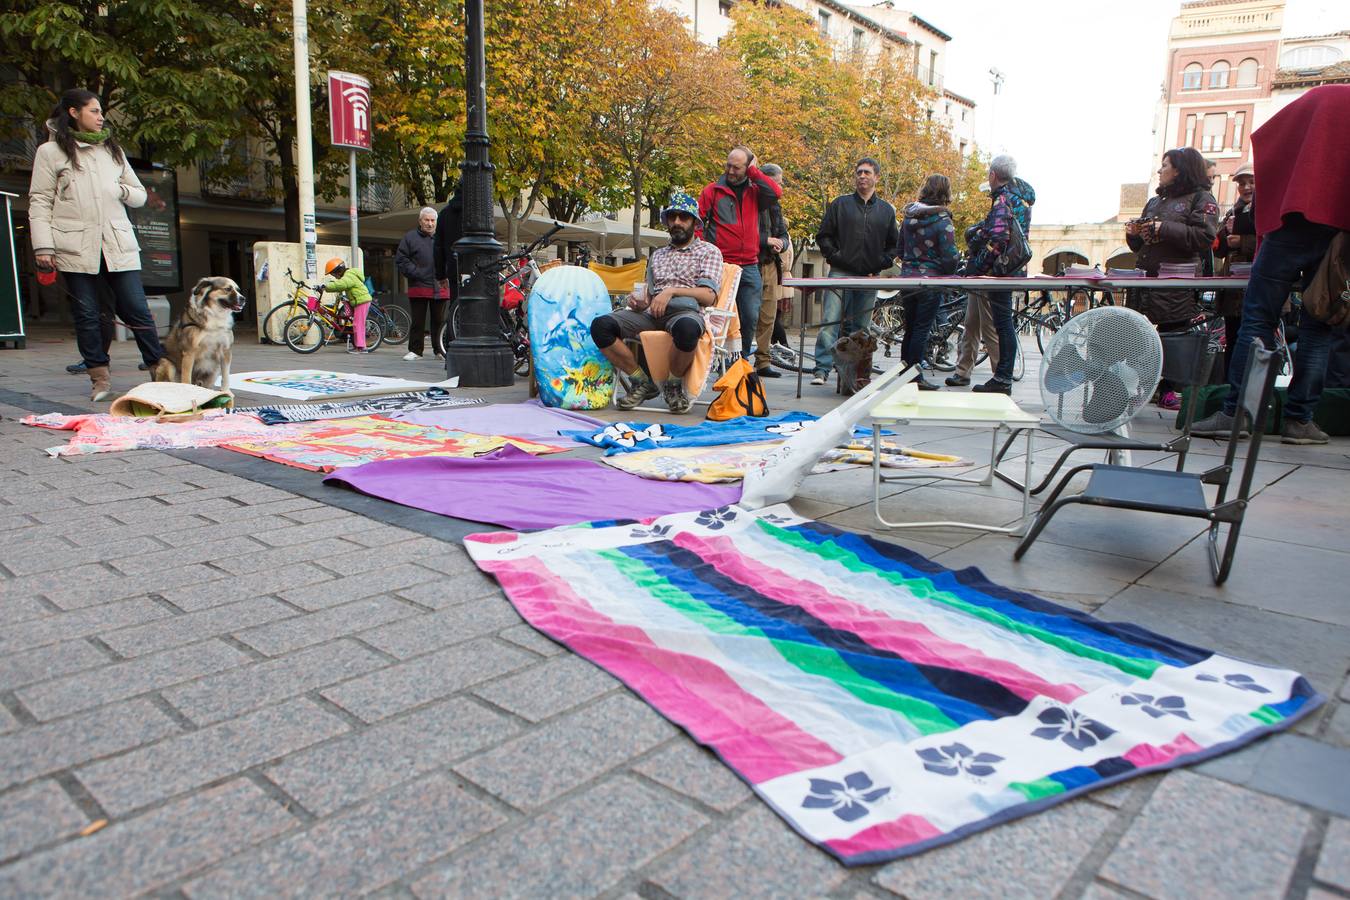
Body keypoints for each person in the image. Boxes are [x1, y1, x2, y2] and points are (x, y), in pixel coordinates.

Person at [1194, 84, 1350, 445]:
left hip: (1295, 217)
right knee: (1319, 324)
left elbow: (1268, 140)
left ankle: (1238, 415)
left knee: (1259, 319)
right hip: (1338, 228)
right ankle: (1300, 420)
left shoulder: (1322, 97)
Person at [28, 88, 164, 401]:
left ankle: (160, 370)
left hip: (117, 243)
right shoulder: (50, 152)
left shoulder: (112, 149)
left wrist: (123, 191)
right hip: (75, 244)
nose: (101, 117)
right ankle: (99, 378)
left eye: (101, 111)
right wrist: (43, 247)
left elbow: (139, 193)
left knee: (137, 310)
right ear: (74, 113)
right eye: (94, 111)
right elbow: (39, 201)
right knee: (88, 314)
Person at [589, 192, 723, 414]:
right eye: (672, 217)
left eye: (683, 217)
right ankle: (641, 381)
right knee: (600, 326)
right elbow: (649, 295)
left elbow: (709, 295)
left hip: (685, 313)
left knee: (688, 329)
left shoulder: (708, 252)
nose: (677, 222)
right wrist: (640, 302)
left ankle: (672, 385)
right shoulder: (658, 255)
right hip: (651, 314)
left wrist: (671, 292)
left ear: (694, 223)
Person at [1125, 146, 1219, 410]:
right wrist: (1135, 233)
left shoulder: (1202, 198)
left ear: (1179, 169)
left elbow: (1204, 237)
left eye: (1164, 166)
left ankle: (1168, 389)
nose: (1159, 170)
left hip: (1176, 285)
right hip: (1145, 281)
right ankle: (1143, 387)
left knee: (1172, 338)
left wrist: (1164, 228)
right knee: (1139, 337)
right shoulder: (1155, 202)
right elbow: (1141, 246)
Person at [809, 156, 900, 386]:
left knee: (862, 328)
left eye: (867, 172)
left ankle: (855, 373)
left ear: (876, 177)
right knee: (830, 321)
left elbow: (894, 245)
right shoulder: (840, 204)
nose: (862, 176)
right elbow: (824, 236)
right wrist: (836, 257)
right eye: (859, 172)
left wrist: (878, 264)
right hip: (840, 272)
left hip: (869, 277)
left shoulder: (887, 211)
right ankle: (822, 370)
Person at [958, 154, 1036, 394]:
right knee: (1004, 324)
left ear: (993, 175)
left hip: (1000, 271)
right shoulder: (1021, 199)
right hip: (1014, 269)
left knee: (1002, 325)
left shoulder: (1002, 200)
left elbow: (999, 239)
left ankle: (1002, 378)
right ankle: (1002, 376)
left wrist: (978, 267)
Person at [698, 146, 783, 361]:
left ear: (748, 167)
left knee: (750, 316)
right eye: (728, 165)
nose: (730, 171)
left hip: (749, 265)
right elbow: (697, 221)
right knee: (718, 316)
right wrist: (703, 249)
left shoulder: (755, 191)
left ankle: (740, 361)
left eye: (737, 167)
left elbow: (776, 193)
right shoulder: (712, 191)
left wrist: (755, 173)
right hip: (722, 265)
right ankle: (714, 359)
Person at [899, 174, 961, 390]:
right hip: (930, 282)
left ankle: (903, 373)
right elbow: (950, 258)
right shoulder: (943, 221)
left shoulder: (908, 217)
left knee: (909, 328)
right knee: (921, 329)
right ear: (945, 193)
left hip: (907, 279)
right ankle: (915, 376)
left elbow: (900, 250)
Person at [1214, 162, 1256, 377]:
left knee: (1254, 345)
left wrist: (1242, 241)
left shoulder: (1269, 208)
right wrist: (1222, 238)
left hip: (1257, 290)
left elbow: (1273, 244)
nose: (1246, 187)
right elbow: (1219, 251)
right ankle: (1229, 391)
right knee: (1232, 341)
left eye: (1251, 182)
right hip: (1233, 292)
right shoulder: (1232, 211)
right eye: (1242, 183)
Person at [754, 163, 791, 379]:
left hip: (769, 264)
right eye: (778, 182)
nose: (781, 187)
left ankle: (763, 361)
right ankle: (738, 359)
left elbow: (784, 235)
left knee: (768, 316)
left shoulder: (776, 207)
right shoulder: (749, 202)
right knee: (747, 316)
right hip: (750, 263)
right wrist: (764, 240)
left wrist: (782, 244)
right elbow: (739, 234)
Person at [396, 206, 446, 360]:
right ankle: (416, 350)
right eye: (427, 220)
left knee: (439, 321)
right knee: (418, 320)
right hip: (418, 285)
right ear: (420, 221)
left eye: (432, 220)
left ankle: (440, 350)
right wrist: (416, 273)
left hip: (440, 285)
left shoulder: (443, 237)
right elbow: (401, 259)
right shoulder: (410, 237)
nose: (430, 224)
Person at [433, 180, 464, 351]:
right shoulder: (477, 211)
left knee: (455, 309)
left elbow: (438, 247)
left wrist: (440, 274)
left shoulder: (445, 214)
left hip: (453, 268)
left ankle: (452, 349)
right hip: (476, 269)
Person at [321, 258, 375, 353]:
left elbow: (342, 284)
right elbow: (341, 284)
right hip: (358, 301)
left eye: (333, 274)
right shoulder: (349, 274)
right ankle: (358, 345)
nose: (334, 277)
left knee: (358, 324)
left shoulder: (348, 276)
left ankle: (361, 348)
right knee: (357, 324)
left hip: (362, 301)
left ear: (338, 270)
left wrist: (326, 287)